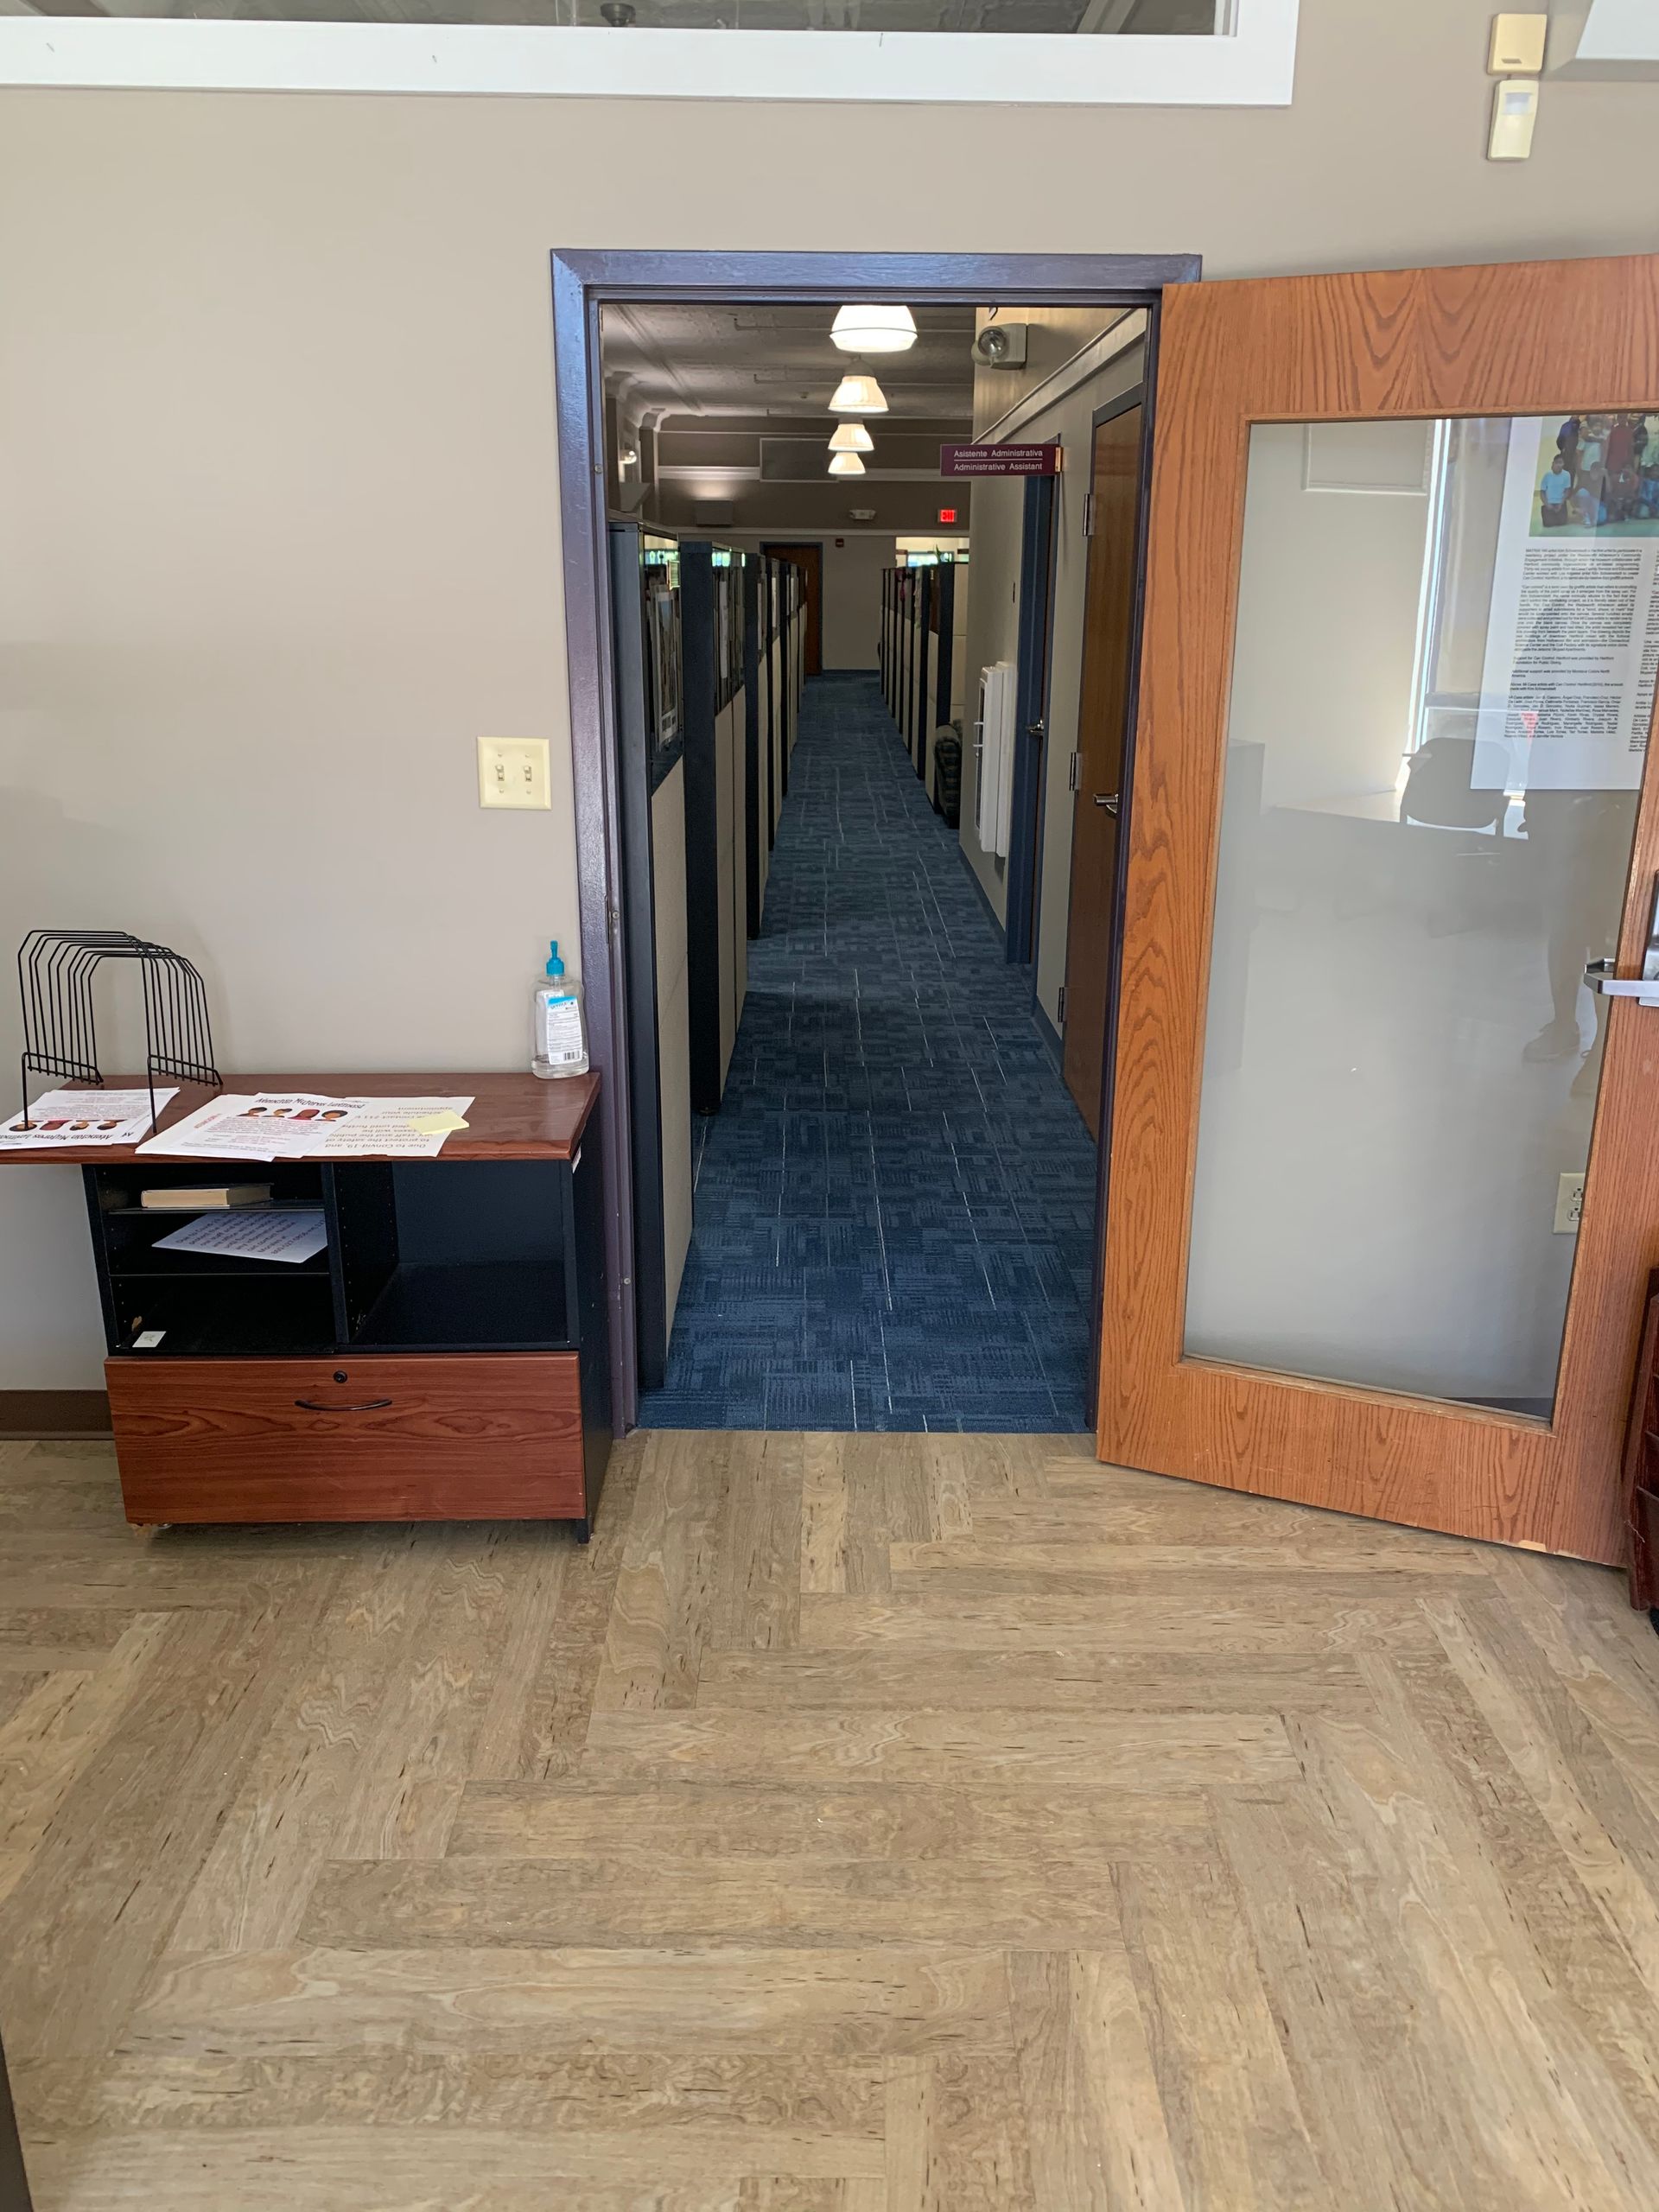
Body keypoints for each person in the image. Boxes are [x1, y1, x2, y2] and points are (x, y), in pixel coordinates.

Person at [1539, 451, 1573, 526]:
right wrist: (1547, 504)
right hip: (1549, 504)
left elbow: (1567, 491)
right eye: (1556, 462)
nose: (1558, 465)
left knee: (1562, 523)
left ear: (1563, 464)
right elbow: (1542, 492)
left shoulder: (1567, 475)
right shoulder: (1547, 475)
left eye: (1560, 463)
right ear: (1553, 463)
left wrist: (1561, 503)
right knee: (1548, 524)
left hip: (1560, 504)